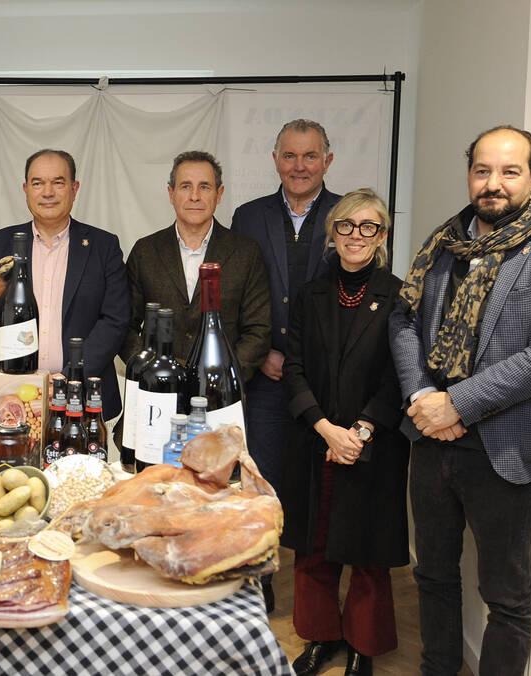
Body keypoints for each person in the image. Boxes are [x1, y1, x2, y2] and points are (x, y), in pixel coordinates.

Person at [390, 126, 531, 675]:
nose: (493, 183)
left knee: (506, 599)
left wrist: (458, 404)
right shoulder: (442, 244)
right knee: (431, 576)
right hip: (431, 442)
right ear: (469, 174)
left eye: (508, 171)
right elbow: (404, 319)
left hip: (506, 451)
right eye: (483, 170)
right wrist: (422, 394)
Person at [282, 189, 408, 676]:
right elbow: (293, 368)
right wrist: (324, 428)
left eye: (369, 227)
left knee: (367, 553)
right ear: (333, 233)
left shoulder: (398, 295)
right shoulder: (310, 293)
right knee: (312, 549)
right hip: (315, 438)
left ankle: (363, 645)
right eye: (347, 226)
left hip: (371, 442)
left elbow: (400, 374)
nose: (357, 236)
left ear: (381, 236)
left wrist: (360, 430)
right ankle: (320, 639)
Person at [231, 118, 342, 610]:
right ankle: (263, 578)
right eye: (290, 156)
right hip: (267, 376)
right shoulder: (248, 217)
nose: (300, 166)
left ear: (327, 161)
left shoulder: (348, 214)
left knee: (321, 489)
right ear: (275, 160)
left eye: (310, 156)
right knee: (263, 479)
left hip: (327, 382)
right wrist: (264, 352)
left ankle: (316, 597)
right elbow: (239, 295)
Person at [0, 148, 129, 417]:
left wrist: (69, 380)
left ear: (74, 188)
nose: (48, 192)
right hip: (10, 394)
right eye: (37, 183)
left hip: (80, 398)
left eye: (58, 182)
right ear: (25, 189)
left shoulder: (104, 247)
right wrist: (16, 376)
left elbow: (115, 319)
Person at [121, 150, 271, 378]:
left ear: (219, 194)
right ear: (171, 193)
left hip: (221, 396)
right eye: (185, 186)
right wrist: (151, 371)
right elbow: (125, 326)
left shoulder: (246, 253)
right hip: (157, 391)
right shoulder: (145, 251)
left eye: (204, 187)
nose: (194, 196)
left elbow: (258, 331)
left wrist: (220, 379)